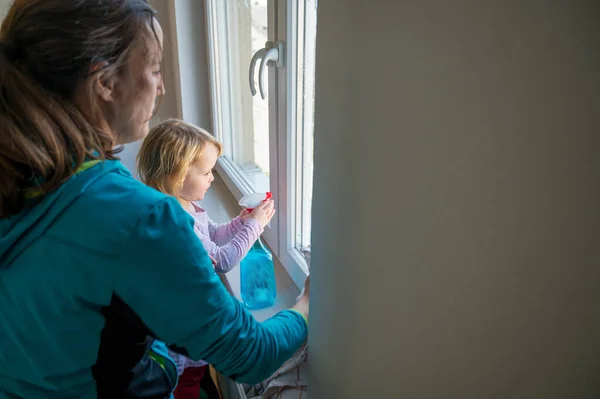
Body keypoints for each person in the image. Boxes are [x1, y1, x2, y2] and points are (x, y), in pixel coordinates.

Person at [0, 2, 309, 399]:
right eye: (155, 69)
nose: (162, 87)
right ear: (105, 82)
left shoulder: (22, 174)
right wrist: (305, 305)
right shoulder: (139, 218)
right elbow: (250, 353)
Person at [137, 118, 277, 399]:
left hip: (187, 316)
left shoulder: (186, 204)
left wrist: (242, 221)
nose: (212, 177)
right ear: (177, 174)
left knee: (193, 377)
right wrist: (256, 225)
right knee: (185, 382)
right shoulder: (177, 222)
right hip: (181, 331)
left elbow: (214, 234)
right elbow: (222, 260)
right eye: (206, 172)